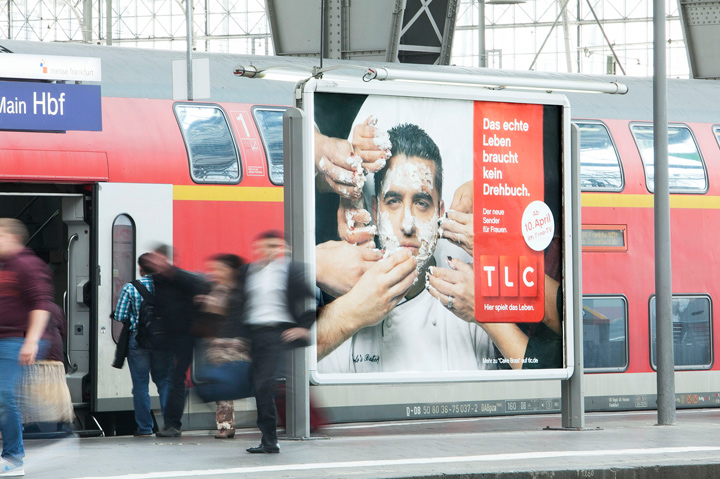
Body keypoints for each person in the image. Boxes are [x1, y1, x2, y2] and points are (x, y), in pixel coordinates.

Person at [317, 124, 496, 373]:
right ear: (376, 211)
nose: (407, 224)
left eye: (422, 203)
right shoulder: (349, 308)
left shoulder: (469, 307)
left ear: (440, 213)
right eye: (394, 201)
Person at [238, 230, 315, 454]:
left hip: (275, 334)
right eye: (264, 245)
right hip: (253, 334)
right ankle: (268, 439)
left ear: (283, 248)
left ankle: (270, 440)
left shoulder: (291, 271)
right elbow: (238, 305)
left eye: (274, 246)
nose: (268, 250)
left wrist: (302, 327)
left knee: (263, 386)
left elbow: (310, 301)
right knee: (257, 386)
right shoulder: (247, 271)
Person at [0, 218, 53, 477]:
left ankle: (13, 459)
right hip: (5, 339)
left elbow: (40, 305)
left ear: (11, 237)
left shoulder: (27, 264)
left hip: (17, 340)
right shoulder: (5, 267)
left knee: (4, 394)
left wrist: (31, 341)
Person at [145, 245, 210, 438]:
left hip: (185, 336)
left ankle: (173, 424)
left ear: (165, 258)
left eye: (156, 258)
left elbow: (204, 290)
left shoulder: (183, 277)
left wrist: (195, 317)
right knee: (172, 379)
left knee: (176, 379)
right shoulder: (158, 280)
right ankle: (171, 423)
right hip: (169, 338)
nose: (153, 262)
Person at [112, 254, 174, 437]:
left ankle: (145, 428)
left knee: (140, 386)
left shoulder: (131, 288)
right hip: (163, 342)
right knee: (164, 383)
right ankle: (169, 426)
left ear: (141, 268)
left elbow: (120, 316)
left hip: (138, 341)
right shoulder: (168, 288)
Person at [194, 253, 246, 439]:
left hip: (237, 345)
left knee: (241, 384)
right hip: (218, 346)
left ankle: (227, 426)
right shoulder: (215, 290)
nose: (215, 272)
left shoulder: (239, 292)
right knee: (222, 387)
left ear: (231, 270)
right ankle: (225, 426)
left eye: (219, 268)